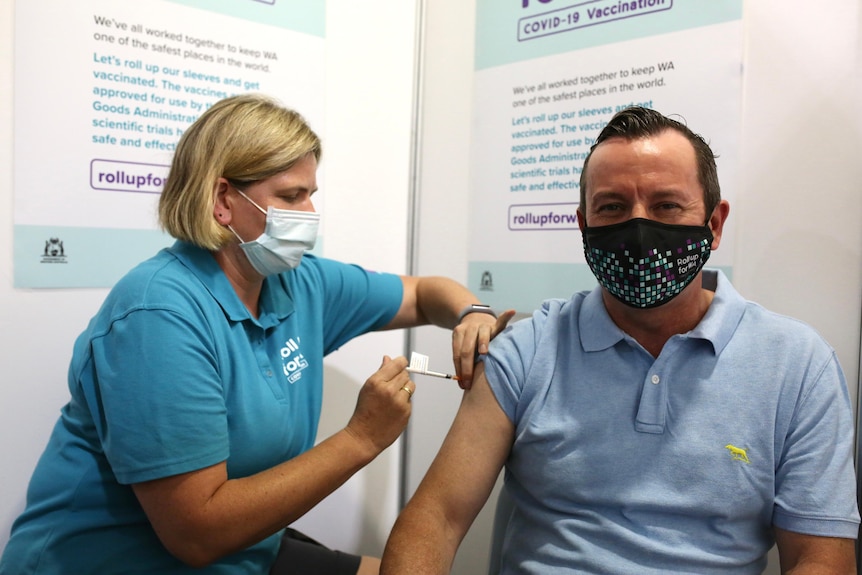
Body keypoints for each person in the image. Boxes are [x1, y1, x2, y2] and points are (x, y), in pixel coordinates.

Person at [0, 94, 514, 575]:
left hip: (246, 549)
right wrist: (363, 437)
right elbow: (195, 534)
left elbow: (423, 294)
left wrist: (473, 310)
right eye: (291, 196)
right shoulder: (159, 316)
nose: (309, 214)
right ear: (223, 199)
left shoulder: (296, 282)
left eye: (311, 194)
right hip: (122, 559)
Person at [380, 106, 860, 574]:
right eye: (611, 207)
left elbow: (820, 558)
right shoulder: (528, 350)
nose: (637, 229)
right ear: (583, 225)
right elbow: (436, 519)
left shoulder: (796, 364)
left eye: (666, 205)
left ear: (713, 225)